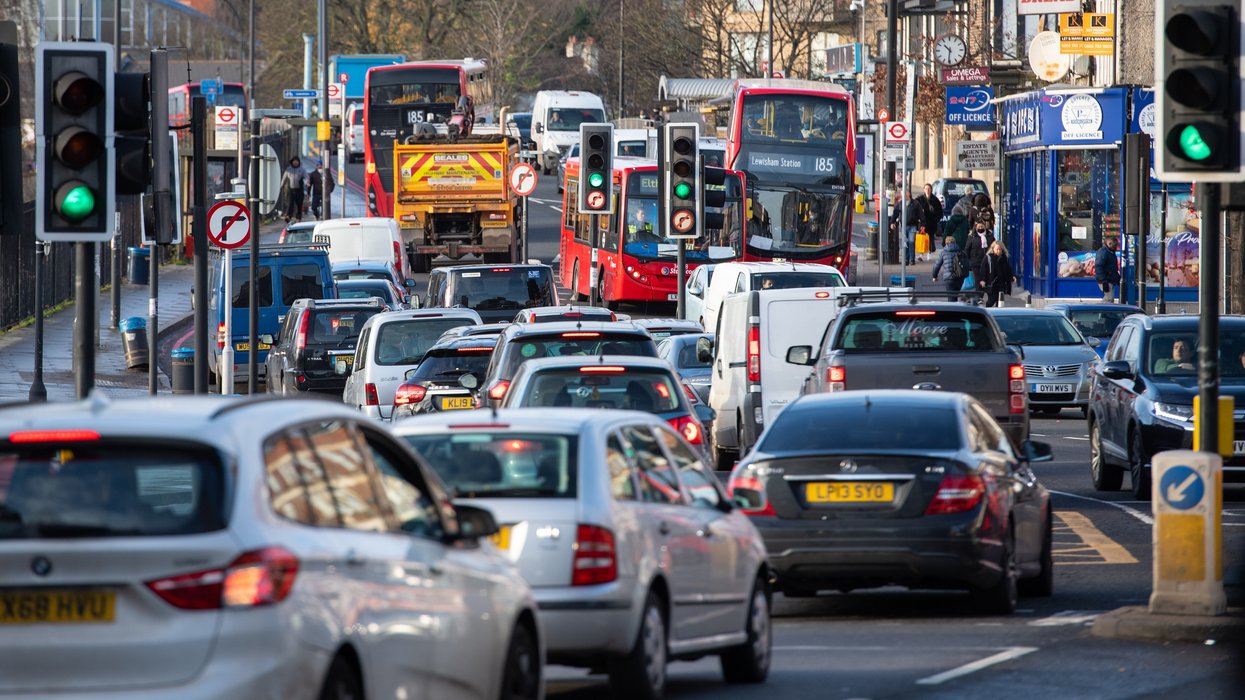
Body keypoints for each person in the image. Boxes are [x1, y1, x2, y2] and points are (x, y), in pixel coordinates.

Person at [931, 235, 968, 302]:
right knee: (955, 294)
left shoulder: (943, 253)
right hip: (959, 276)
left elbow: (937, 265)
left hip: (948, 278)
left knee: (951, 296)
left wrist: (934, 276)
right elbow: (966, 264)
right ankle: (955, 307)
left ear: (946, 243)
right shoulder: (961, 251)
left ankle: (952, 309)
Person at [978, 240, 1015, 307]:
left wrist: (1012, 276)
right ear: (993, 249)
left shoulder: (1004, 258)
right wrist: (982, 280)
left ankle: (998, 314)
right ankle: (987, 310)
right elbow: (983, 269)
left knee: (1000, 301)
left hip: (1001, 283)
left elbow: (1008, 269)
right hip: (992, 283)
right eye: (997, 249)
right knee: (992, 300)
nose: (999, 251)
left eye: (1000, 249)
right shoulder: (988, 257)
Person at [890, 189, 922, 265]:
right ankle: (906, 259)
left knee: (911, 242)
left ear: (908, 194)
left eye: (905, 194)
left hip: (913, 226)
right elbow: (895, 213)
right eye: (902, 194)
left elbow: (921, 215)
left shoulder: (915, 203)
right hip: (904, 226)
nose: (903, 196)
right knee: (905, 243)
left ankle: (911, 259)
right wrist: (892, 222)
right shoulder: (900, 204)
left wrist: (923, 225)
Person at [966, 219, 995, 293]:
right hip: (976, 263)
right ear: (976, 228)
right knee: (978, 279)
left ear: (985, 227)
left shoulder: (990, 237)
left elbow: (994, 247)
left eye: (982, 226)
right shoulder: (972, 237)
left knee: (986, 279)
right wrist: (969, 261)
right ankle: (979, 296)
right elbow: (967, 250)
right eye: (979, 227)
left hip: (987, 262)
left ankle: (984, 294)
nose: (981, 228)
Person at [280, 156, 307, 223]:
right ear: (292, 162)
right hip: (291, 189)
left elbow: (306, 177)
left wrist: (307, 182)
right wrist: (281, 186)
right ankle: (288, 216)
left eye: (296, 161)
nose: (295, 162)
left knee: (299, 204)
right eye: (294, 161)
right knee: (290, 203)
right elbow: (284, 178)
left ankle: (298, 217)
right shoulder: (288, 170)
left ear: (298, 162)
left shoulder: (302, 169)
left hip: (299, 190)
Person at [1095, 236, 1121, 302]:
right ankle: (1099, 310)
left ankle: (1102, 310)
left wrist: (1117, 278)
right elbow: (1099, 266)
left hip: (1109, 279)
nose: (1116, 247)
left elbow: (1112, 268)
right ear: (1109, 244)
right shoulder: (1103, 252)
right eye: (1115, 245)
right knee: (1109, 299)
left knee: (1109, 299)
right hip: (1106, 280)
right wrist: (1103, 281)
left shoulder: (1110, 252)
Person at [917, 184, 943, 249]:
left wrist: (936, 220)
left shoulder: (935, 200)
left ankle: (929, 252)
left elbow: (940, 212)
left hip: (931, 223)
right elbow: (915, 210)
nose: (927, 190)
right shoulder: (920, 199)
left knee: (930, 238)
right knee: (922, 237)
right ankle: (921, 254)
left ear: (931, 190)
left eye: (929, 189)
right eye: (926, 189)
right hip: (923, 222)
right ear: (924, 190)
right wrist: (918, 219)